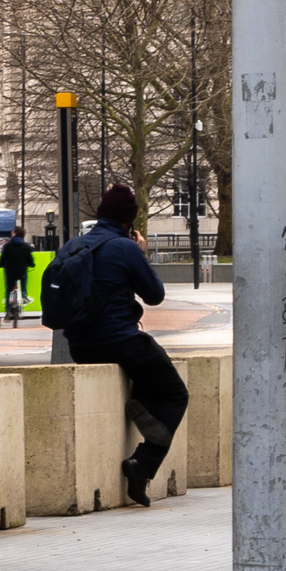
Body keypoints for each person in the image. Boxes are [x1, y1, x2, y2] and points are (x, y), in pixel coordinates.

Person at [49, 183, 186, 504]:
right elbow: (154, 295)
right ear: (129, 220)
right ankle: (143, 462)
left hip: (80, 345)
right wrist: (139, 252)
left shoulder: (72, 246)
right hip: (120, 341)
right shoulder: (125, 248)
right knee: (175, 393)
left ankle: (141, 403)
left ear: (100, 215)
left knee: (149, 375)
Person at [0, 225, 31, 329]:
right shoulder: (26, 246)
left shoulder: (7, 246)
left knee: (8, 290)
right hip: (21, 271)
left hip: (10, 272)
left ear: (15, 234)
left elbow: (3, 258)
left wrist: (0, 265)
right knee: (24, 277)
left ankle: (8, 311)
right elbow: (29, 259)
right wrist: (31, 264)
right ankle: (24, 294)